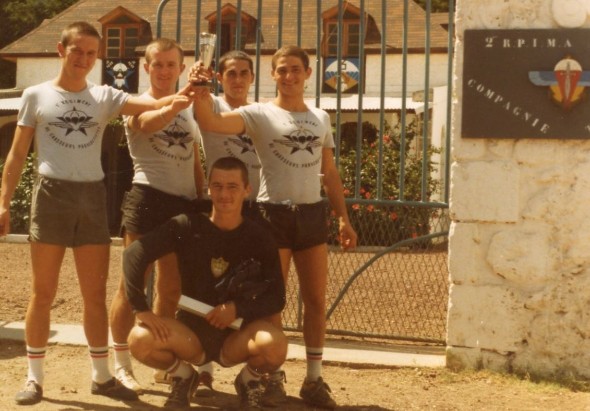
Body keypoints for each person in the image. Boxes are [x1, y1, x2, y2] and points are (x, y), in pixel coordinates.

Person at [0, 21, 193, 406]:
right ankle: (35, 378)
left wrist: (187, 91)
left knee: (93, 295)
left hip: (92, 195)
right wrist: (4, 201)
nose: (84, 59)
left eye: (91, 53)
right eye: (77, 51)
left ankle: (102, 376)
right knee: (43, 293)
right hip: (51, 194)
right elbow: (18, 153)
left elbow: (154, 103)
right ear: (61, 50)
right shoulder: (36, 95)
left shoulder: (104, 95)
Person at [191, 45, 358, 409]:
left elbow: (328, 173)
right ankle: (268, 378)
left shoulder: (320, 117)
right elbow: (211, 123)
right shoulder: (259, 113)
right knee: (272, 305)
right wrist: (201, 89)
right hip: (273, 215)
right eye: (282, 70)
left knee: (315, 301)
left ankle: (314, 380)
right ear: (272, 74)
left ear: (308, 73)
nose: (289, 76)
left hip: (312, 215)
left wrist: (343, 218)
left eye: (296, 69)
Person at [123, 156, 287, 409]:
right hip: (191, 336)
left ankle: (248, 381)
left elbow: (277, 296)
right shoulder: (188, 225)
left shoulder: (259, 236)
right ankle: (184, 377)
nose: (224, 194)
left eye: (232, 187)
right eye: (217, 186)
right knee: (139, 339)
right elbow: (134, 253)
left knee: (275, 346)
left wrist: (236, 309)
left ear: (247, 190)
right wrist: (140, 308)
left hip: (237, 335)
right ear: (209, 188)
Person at [107, 38, 205, 395]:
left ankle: (162, 360)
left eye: (170, 65)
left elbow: (193, 156)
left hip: (184, 204)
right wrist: (176, 102)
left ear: (180, 68)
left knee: (172, 286)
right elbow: (146, 123)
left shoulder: (189, 107)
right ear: (146, 68)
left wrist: (201, 195)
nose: (164, 70)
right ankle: (120, 364)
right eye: (157, 64)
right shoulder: (138, 103)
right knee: (132, 285)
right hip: (148, 199)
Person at [193, 50, 260, 395]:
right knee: (210, 287)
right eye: (230, 73)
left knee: (248, 289)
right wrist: (200, 82)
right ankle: (203, 369)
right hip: (219, 206)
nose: (237, 79)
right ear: (220, 78)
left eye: (243, 73)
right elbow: (201, 115)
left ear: (252, 77)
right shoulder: (214, 106)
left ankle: (253, 373)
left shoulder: (260, 111)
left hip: (254, 208)